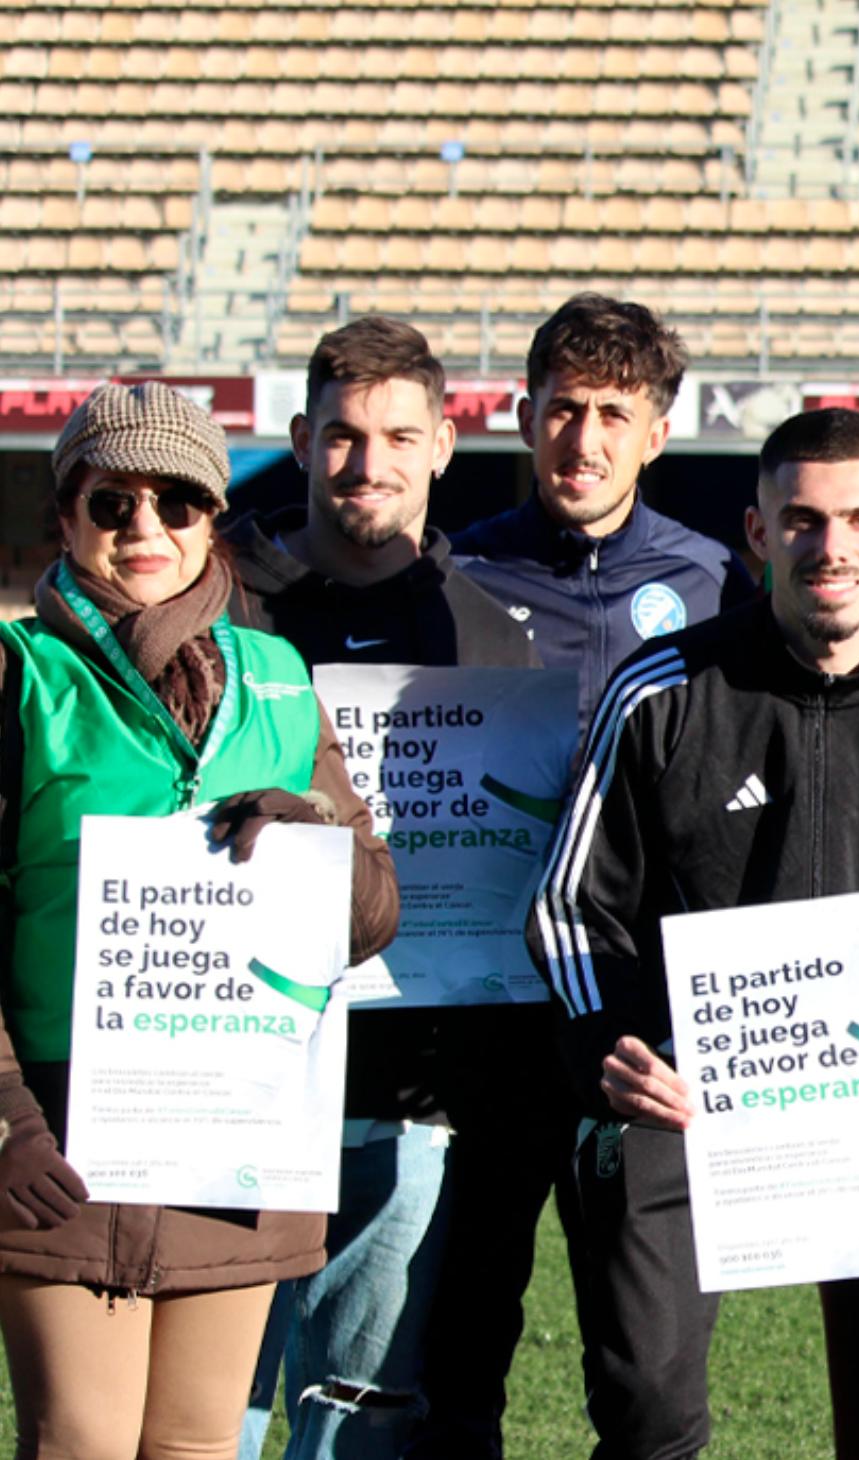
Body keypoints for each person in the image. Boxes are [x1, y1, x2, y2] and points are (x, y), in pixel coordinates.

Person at [532, 407, 859, 1459]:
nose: (833, 546)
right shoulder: (663, 689)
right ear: (759, 533)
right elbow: (572, 904)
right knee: (648, 1400)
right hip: (685, 1093)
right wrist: (614, 1046)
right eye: (803, 521)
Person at [0, 381, 398, 1456]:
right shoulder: (18, 673)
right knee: (78, 1437)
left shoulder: (276, 675)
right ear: (67, 512)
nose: (145, 530)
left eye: (176, 503)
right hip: (60, 1125)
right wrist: (4, 1111)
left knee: (192, 1443)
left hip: (241, 1124)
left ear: (213, 516)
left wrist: (315, 834)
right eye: (111, 503)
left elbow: (373, 913)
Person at [414, 294, 752, 1458]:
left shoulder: (719, 588)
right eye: (564, 409)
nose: (584, 438)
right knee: (456, 1346)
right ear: (522, 416)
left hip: (646, 1028)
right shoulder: (451, 576)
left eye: (615, 413)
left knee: (649, 1376)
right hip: (486, 1015)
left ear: (658, 431)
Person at [225, 318, 540, 1459]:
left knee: (360, 1412)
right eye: (344, 437)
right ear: (302, 439)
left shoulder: (493, 640)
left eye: (399, 436)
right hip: (234, 1077)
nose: (369, 464)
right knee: (209, 1411)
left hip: (413, 1086)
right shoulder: (223, 613)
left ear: (445, 444)